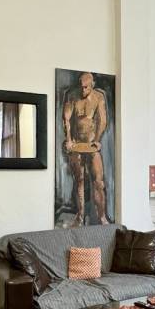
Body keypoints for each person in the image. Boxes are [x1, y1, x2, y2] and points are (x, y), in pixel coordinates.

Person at [62, 72, 109, 225]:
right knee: (79, 181)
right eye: (81, 87)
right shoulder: (72, 96)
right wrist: (69, 140)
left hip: (91, 144)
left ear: (92, 85)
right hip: (76, 143)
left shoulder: (98, 97)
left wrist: (97, 139)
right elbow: (66, 119)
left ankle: (102, 216)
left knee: (98, 182)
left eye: (86, 87)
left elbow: (102, 120)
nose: (83, 90)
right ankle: (80, 215)